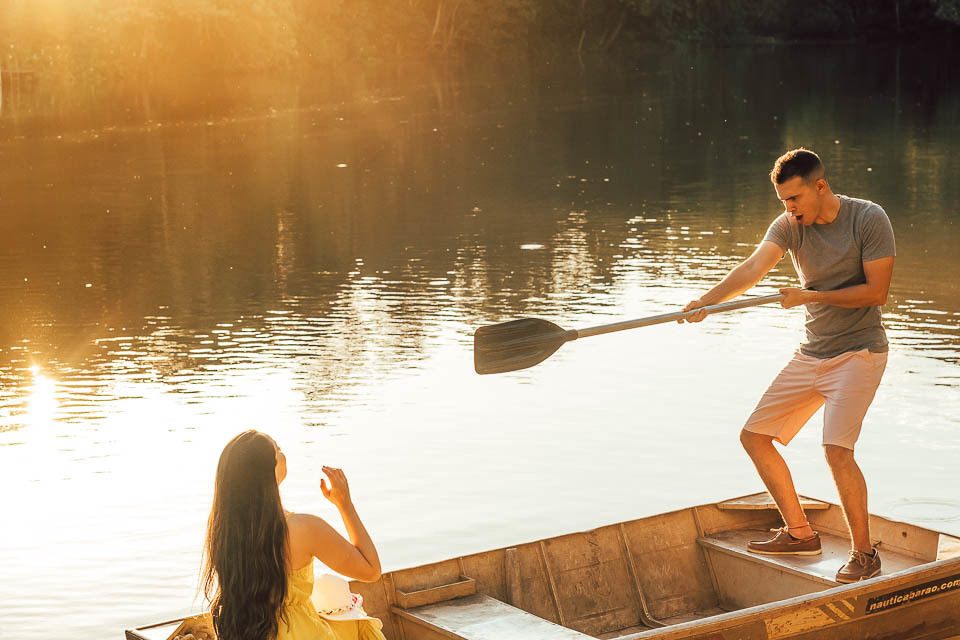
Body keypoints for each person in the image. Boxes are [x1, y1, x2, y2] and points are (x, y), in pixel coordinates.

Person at [679, 148, 895, 583]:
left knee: (836, 450)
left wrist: (810, 296)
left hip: (859, 352)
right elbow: (754, 268)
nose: (788, 208)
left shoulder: (868, 219)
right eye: (782, 200)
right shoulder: (789, 226)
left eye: (794, 198)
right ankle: (800, 533)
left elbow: (876, 293)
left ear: (820, 186)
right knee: (755, 436)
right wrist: (706, 300)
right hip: (813, 351)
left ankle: (865, 554)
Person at [202, 430, 386, 640]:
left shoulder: (223, 529)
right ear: (269, 470)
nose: (282, 452)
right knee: (359, 620)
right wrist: (345, 505)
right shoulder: (302, 528)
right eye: (277, 448)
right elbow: (371, 570)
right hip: (299, 633)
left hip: (246, 632)